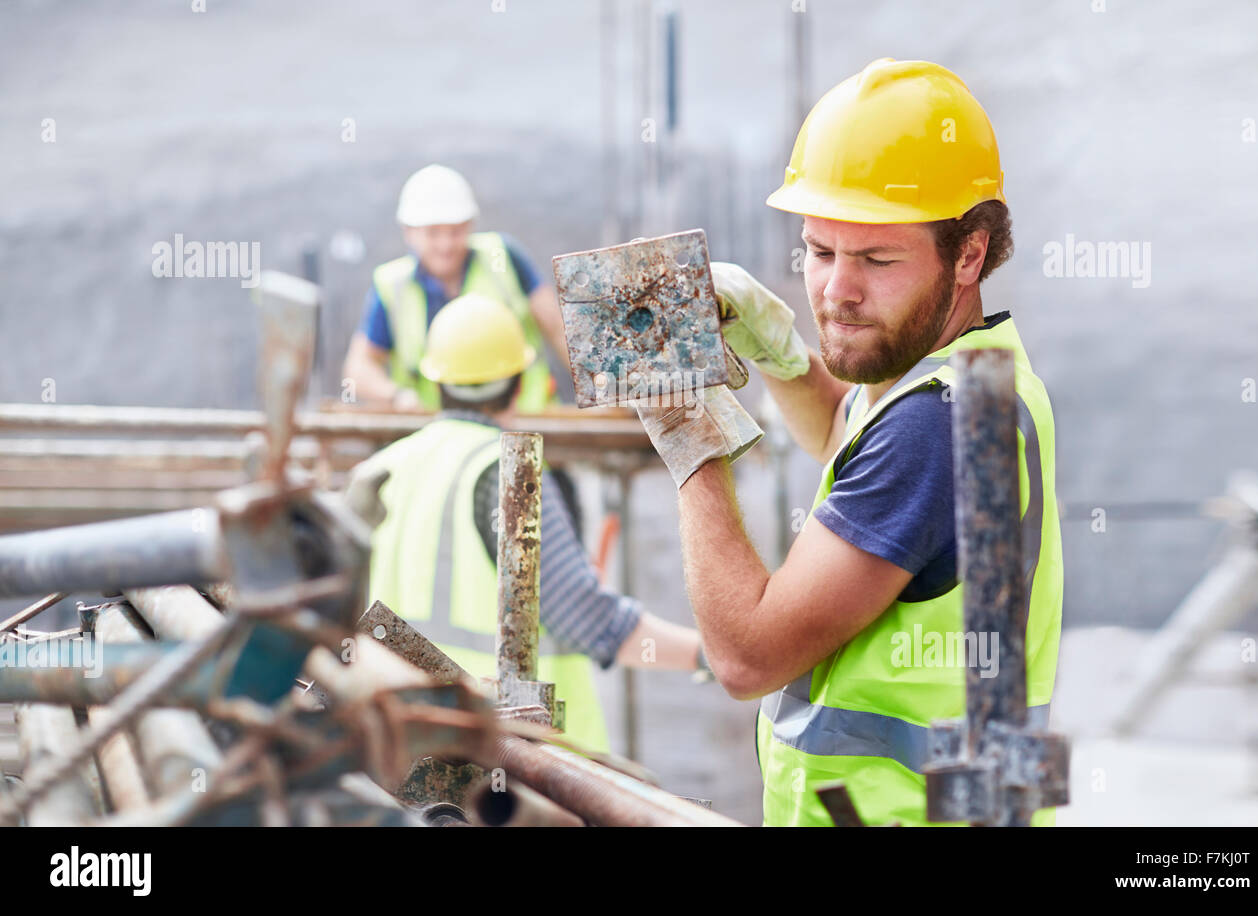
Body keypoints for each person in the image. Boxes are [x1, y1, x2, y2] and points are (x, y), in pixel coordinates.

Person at [634, 58, 1064, 825]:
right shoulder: (976, 378)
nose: (836, 290)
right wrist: (781, 353)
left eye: (875, 259)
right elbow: (845, 433)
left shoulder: (935, 427)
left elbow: (746, 657)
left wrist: (686, 431)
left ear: (970, 252)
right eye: (820, 252)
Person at [360, 293, 706, 754]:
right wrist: (708, 654)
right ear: (520, 383)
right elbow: (587, 619)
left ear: (433, 382)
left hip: (397, 750)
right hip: (515, 764)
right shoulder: (508, 473)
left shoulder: (382, 468)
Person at [342, 164, 569, 413]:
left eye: (456, 231)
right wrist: (397, 396)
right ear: (409, 232)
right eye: (433, 233)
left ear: (471, 225)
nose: (446, 244)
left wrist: (604, 391)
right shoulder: (392, 286)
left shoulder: (503, 258)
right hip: (436, 438)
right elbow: (359, 368)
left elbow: (560, 331)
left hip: (524, 428)